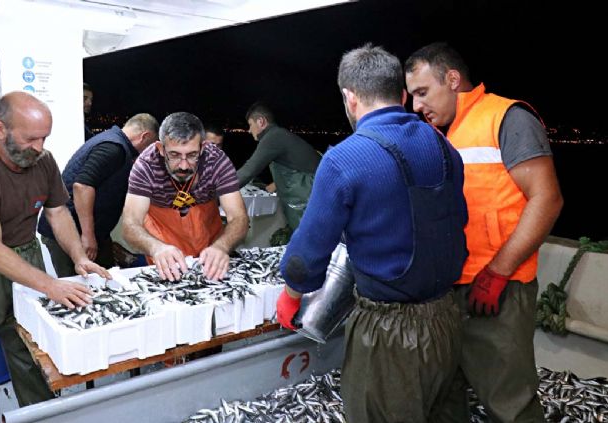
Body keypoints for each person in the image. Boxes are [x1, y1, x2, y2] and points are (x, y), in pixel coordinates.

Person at [276, 44, 469, 422]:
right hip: (447, 318)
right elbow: (455, 220)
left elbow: (305, 257)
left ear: (350, 97)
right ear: (402, 95)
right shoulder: (444, 147)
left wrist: (291, 295)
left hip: (388, 333)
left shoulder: (344, 158)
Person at [405, 42, 563, 422]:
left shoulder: (506, 118)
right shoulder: (438, 134)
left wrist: (497, 272)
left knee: (509, 401)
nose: (416, 106)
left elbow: (547, 199)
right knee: (444, 397)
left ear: (452, 79)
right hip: (447, 291)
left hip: (498, 291)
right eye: (412, 96)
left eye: (422, 92)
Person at [0, 91, 110, 406]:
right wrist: (50, 285)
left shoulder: (43, 160)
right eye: (30, 139)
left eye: (44, 138)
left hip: (27, 252)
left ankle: (39, 410)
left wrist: (78, 257)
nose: (39, 147)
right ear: (0, 129)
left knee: (27, 339)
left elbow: (57, 212)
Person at [122, 112, 249, 281]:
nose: (183, 166)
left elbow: (239, 217)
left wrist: (222, 246)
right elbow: (130, 224)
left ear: (202, 148)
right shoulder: (145, 165)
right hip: (164, 242)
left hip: (210, 239)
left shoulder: (217, 161)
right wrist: (156, 248)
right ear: (160, 148)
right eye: (174, 155)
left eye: (192, 155)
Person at [37, 113, 159, 277]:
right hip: (71, 234)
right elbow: (82, 186)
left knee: (106, 278)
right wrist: (88, 235)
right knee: (81, 285)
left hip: (91, 232)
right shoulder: (113, 148)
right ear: (145, 136)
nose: (147, 153)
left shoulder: (113, 142)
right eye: (150, 146)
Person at [236, 102, 320, 230]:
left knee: (307, 236)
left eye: (250, 125)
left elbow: (248, 171)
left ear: (261, 121)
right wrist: (276, 184)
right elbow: (299, 164)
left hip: (309, 196)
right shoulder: (280, 134)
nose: (249, 130)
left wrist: (219, 191)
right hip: (316, 191)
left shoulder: (273, 137)